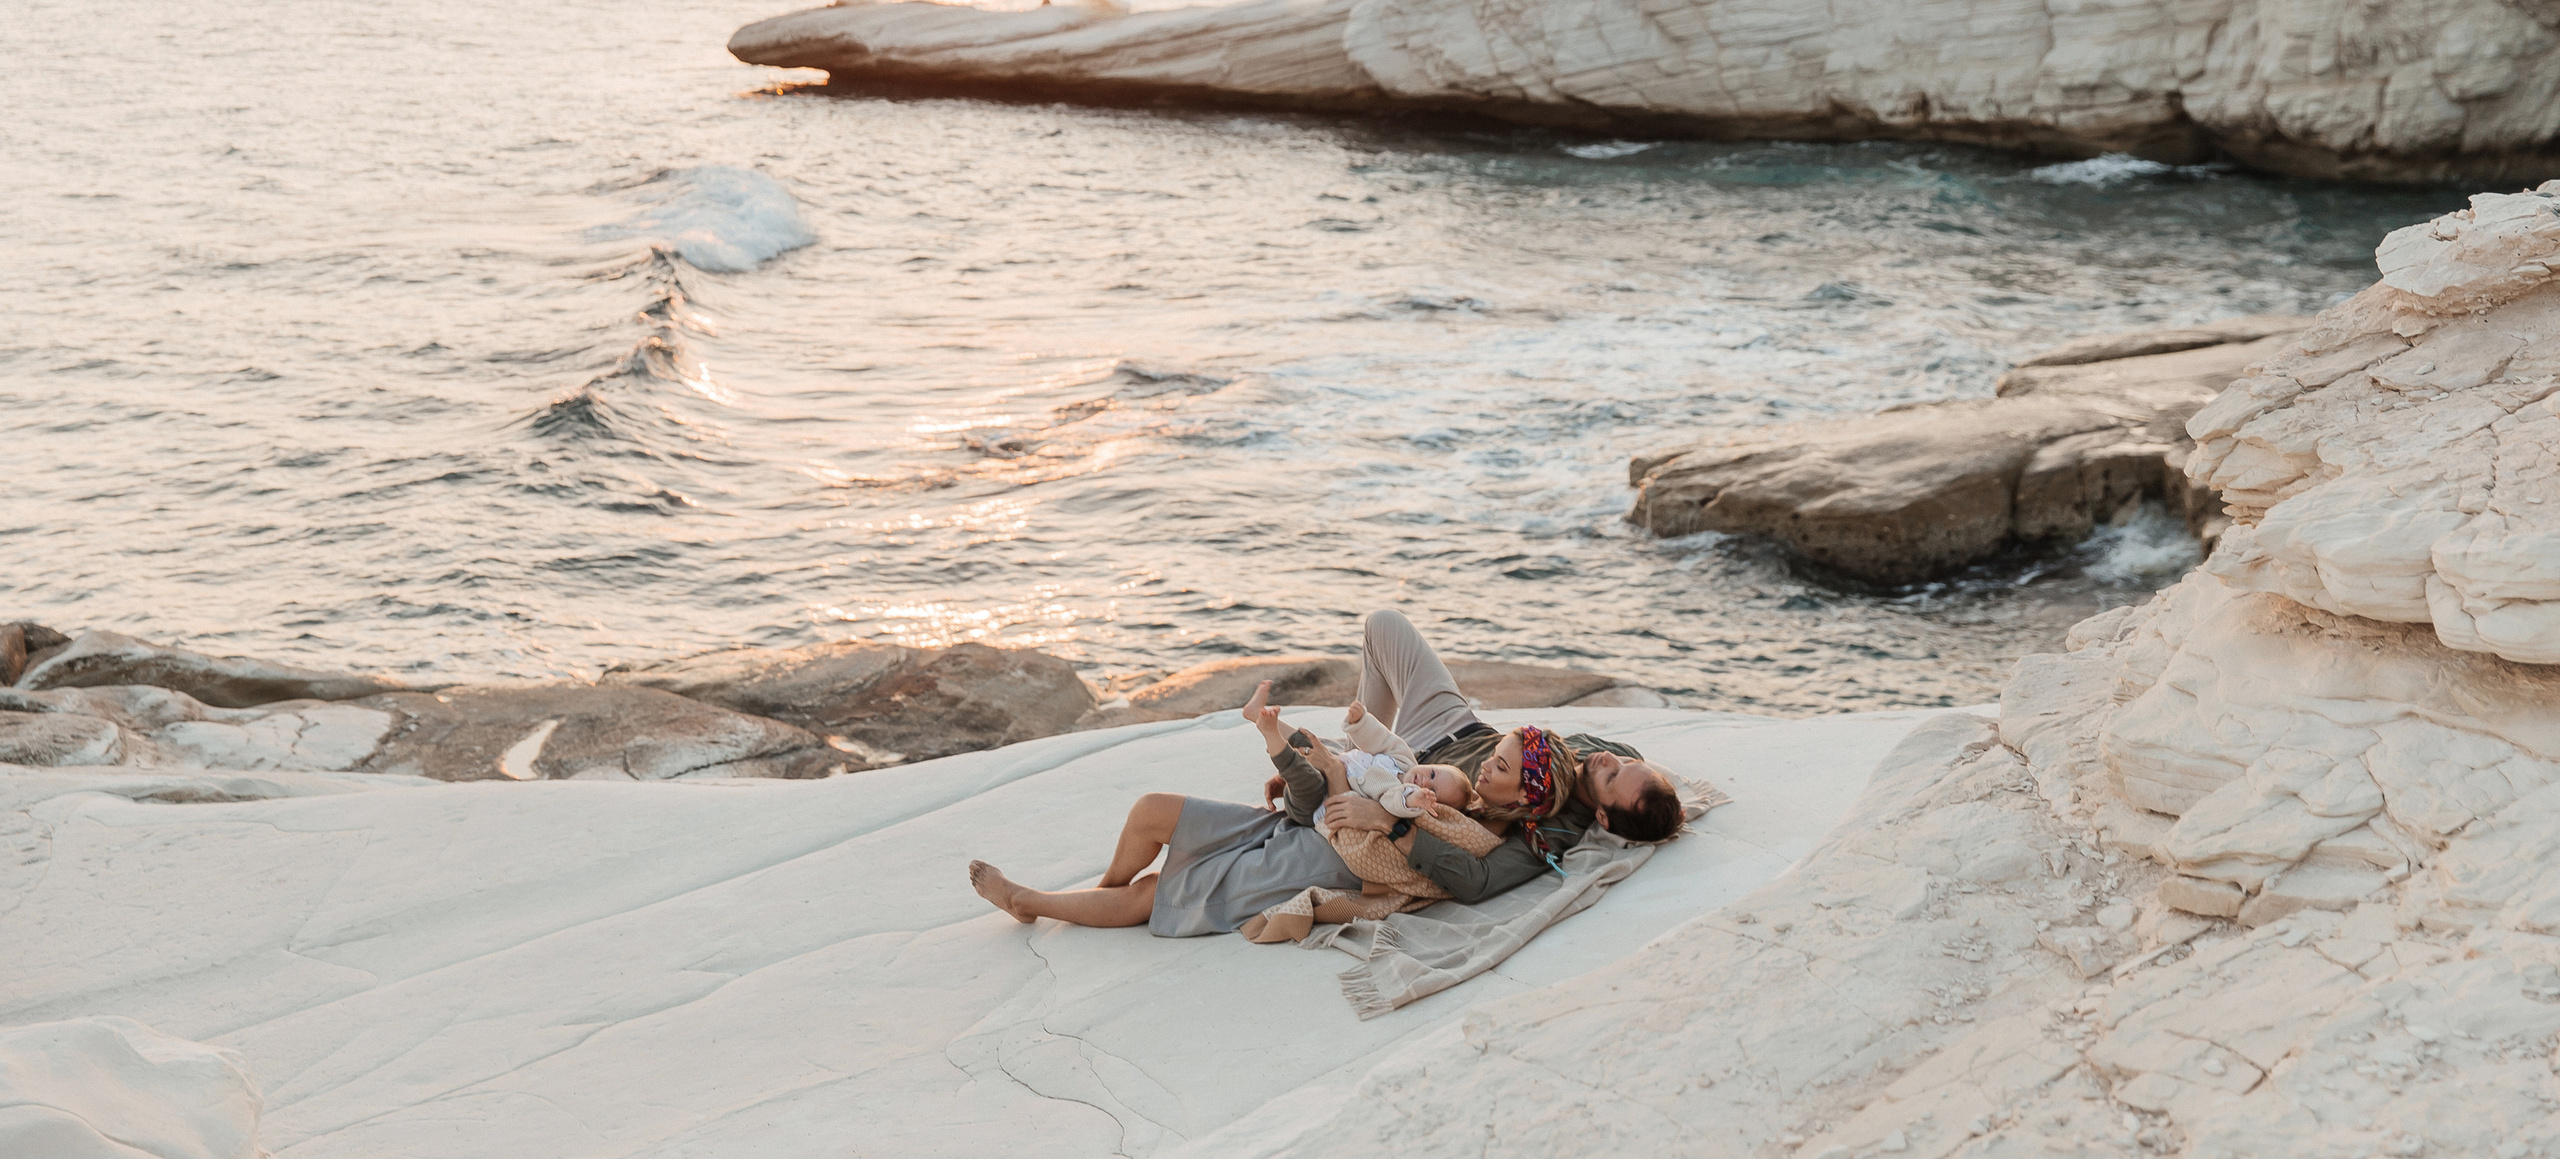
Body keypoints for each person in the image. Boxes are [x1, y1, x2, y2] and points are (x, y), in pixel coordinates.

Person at [967, 609, 1686, 932]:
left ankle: (1048, 903)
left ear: (1596, 813)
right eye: (1620, 760)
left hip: (1390, 804)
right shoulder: (1583, 750)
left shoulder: (1544, 823)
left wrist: (1384, 815)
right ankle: (1361, 744)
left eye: (1610, 777)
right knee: (1385, 625)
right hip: (1441, 738)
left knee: (1162, 887)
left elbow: (1474, 878)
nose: (1605, 760)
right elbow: (1589, 754)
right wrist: (1354, 766)